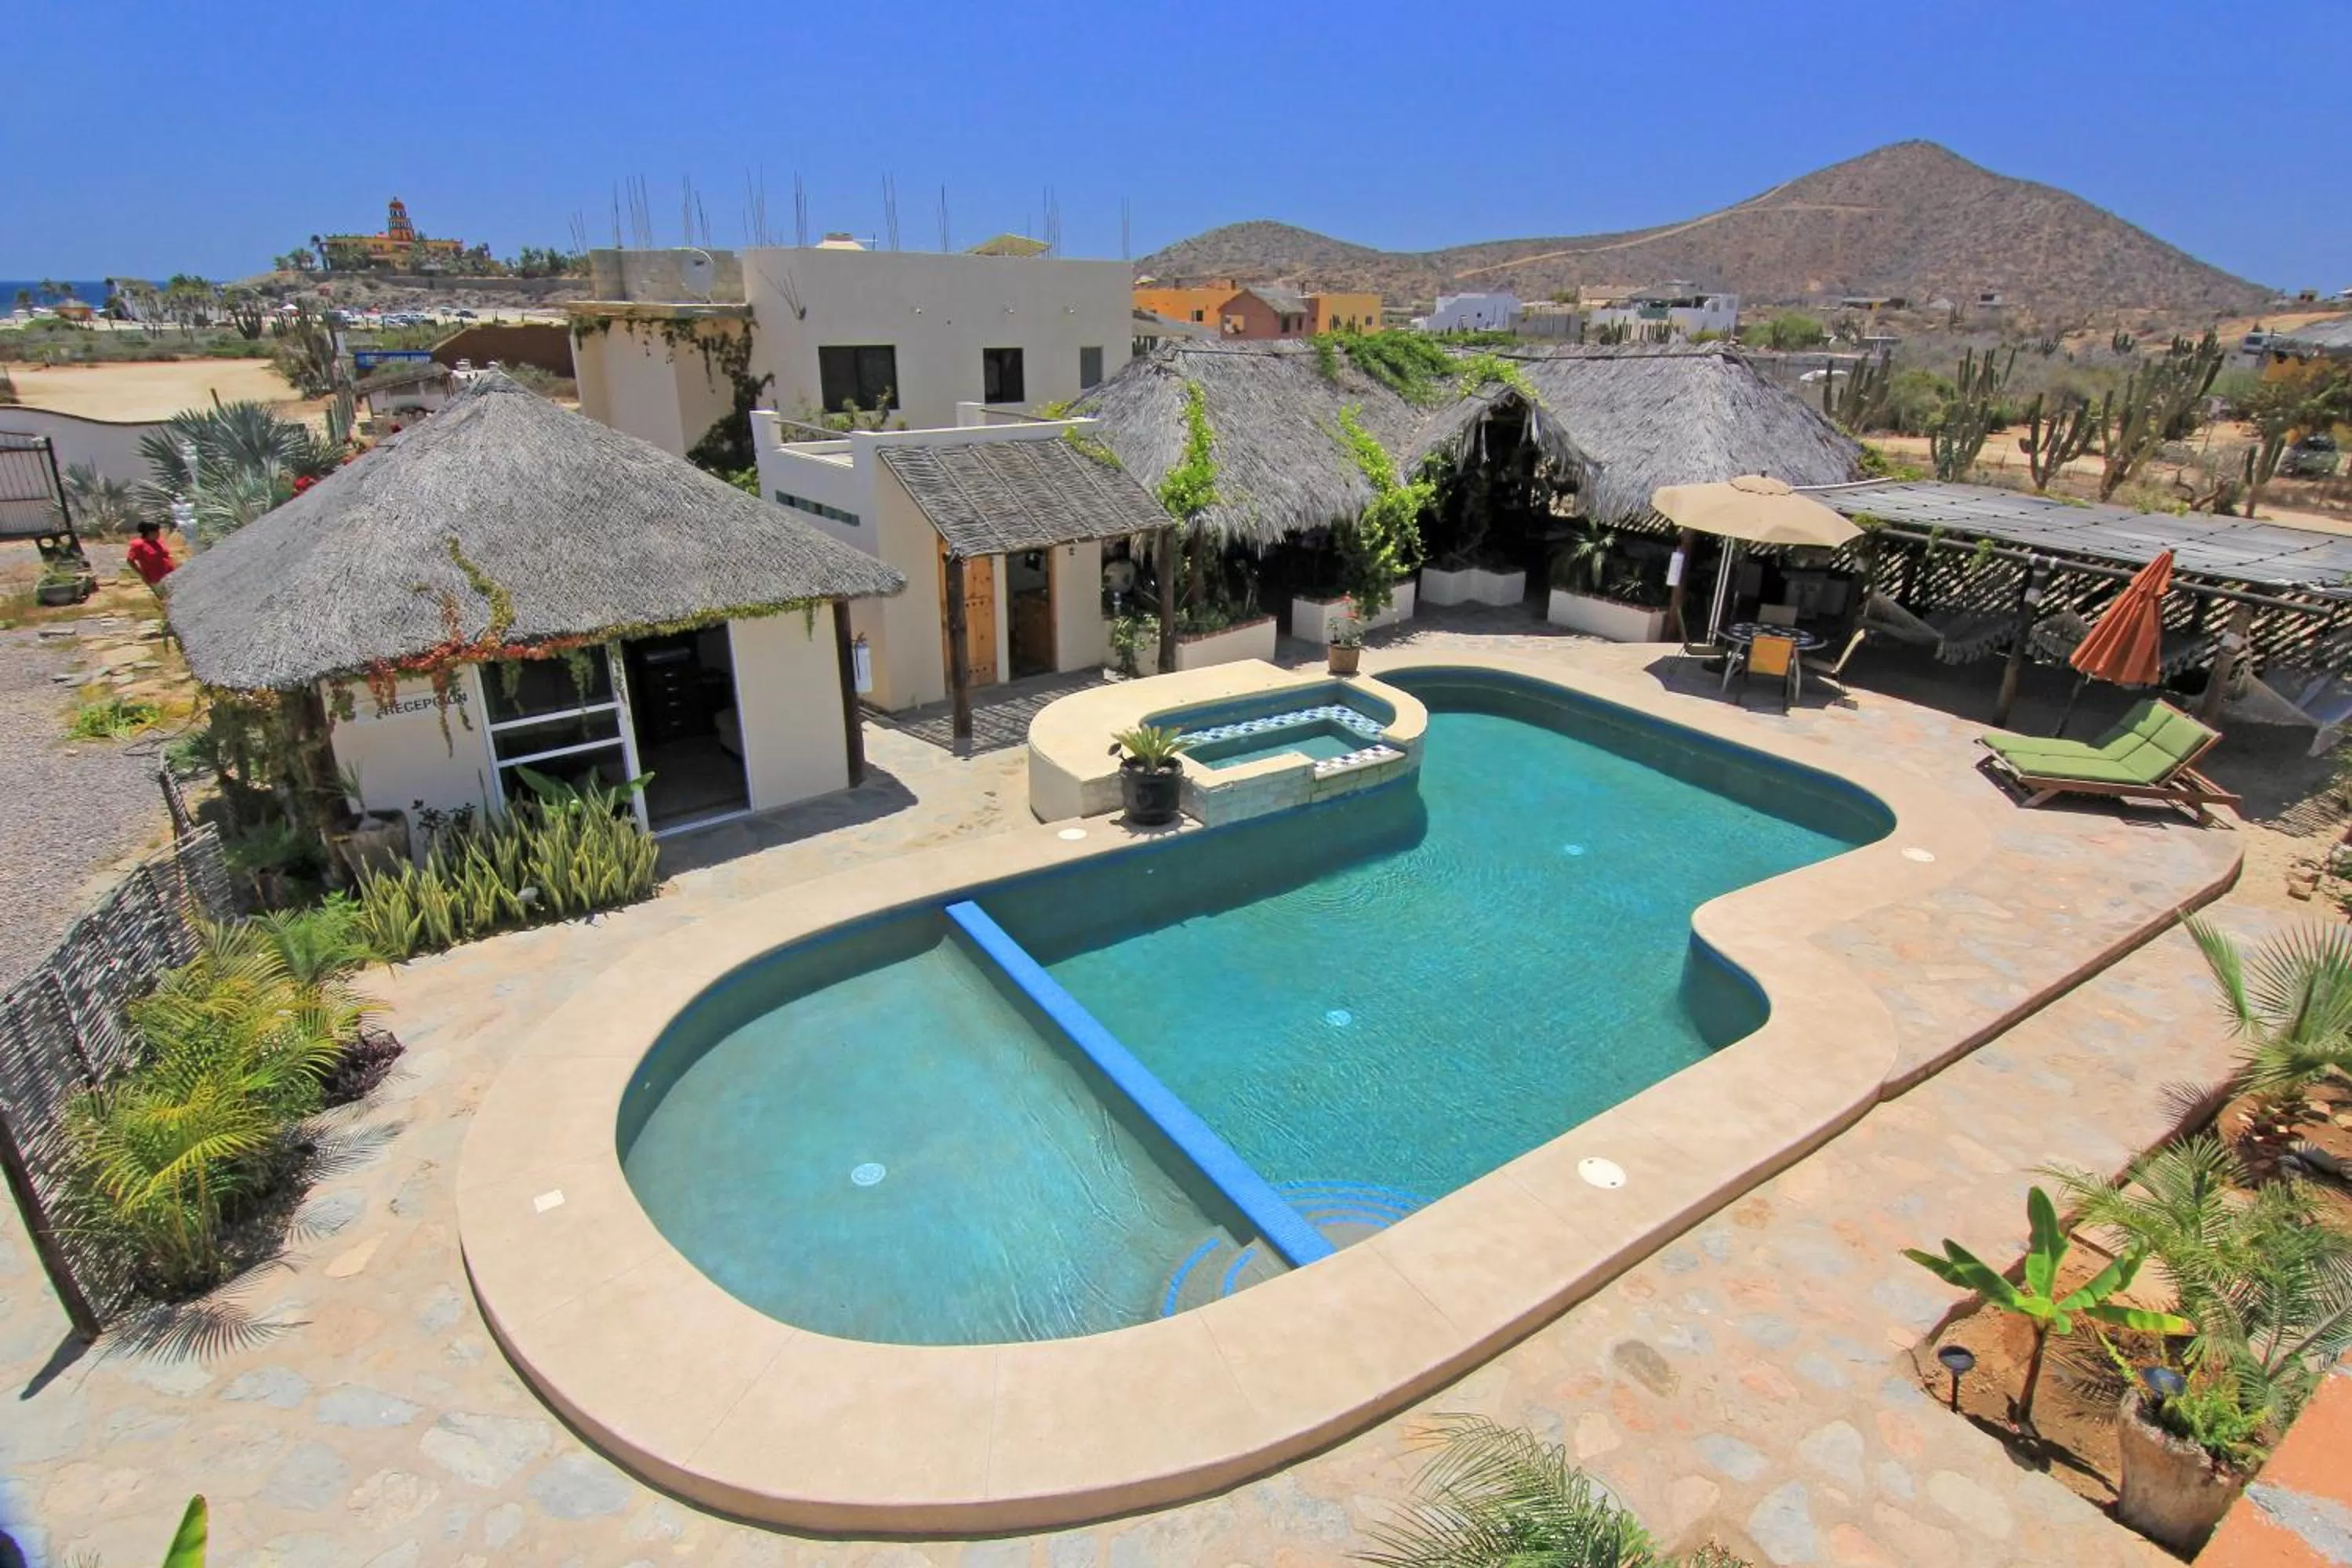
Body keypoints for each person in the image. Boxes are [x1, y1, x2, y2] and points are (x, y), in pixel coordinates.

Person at [127, 521, 176, 588]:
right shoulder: (139, 544)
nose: (159, 534)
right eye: (157, 532)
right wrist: (142, 576)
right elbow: (130, 561)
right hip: (156, 580)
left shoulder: (159, 542)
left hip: (171, 575)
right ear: (150, 532)